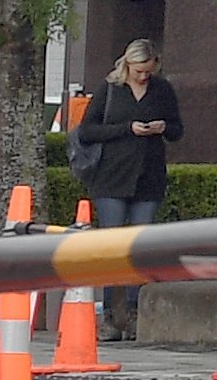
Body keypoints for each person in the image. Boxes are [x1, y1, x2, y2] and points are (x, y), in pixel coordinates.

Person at [68, 41, 187, 324]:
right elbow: (87, 130)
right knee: (112, 245)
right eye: (138, 71)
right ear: (127, 65)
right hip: (112, 176)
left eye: (148, 71)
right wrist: (127, 129)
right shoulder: (110, 89)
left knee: (140, 245)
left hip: (148, 175)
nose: (143, 77)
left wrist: (163, 127)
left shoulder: (162, 89)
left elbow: (177, 130)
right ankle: (111, 312)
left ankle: (134, 310)